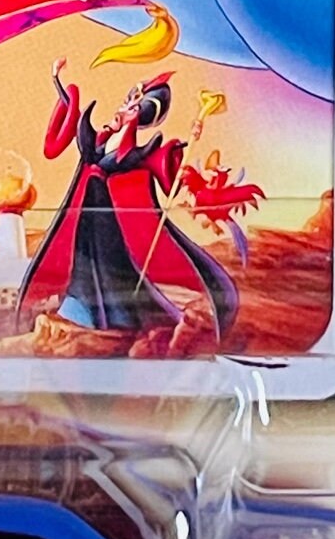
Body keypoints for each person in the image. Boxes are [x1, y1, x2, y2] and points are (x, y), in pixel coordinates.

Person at [15, 62, 239, 342]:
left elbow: (169, 181)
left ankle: (118, 319)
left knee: (112, 272)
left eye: (133, 105)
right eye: (127, 100)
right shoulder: (101, 139)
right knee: (82, 267)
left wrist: (186, 146)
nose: (124, 107)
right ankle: (78, 309)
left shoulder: (138, 153)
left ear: (140, 114)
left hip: (110, 226)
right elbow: (70, 133)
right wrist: (56, 80)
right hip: (84, 219)